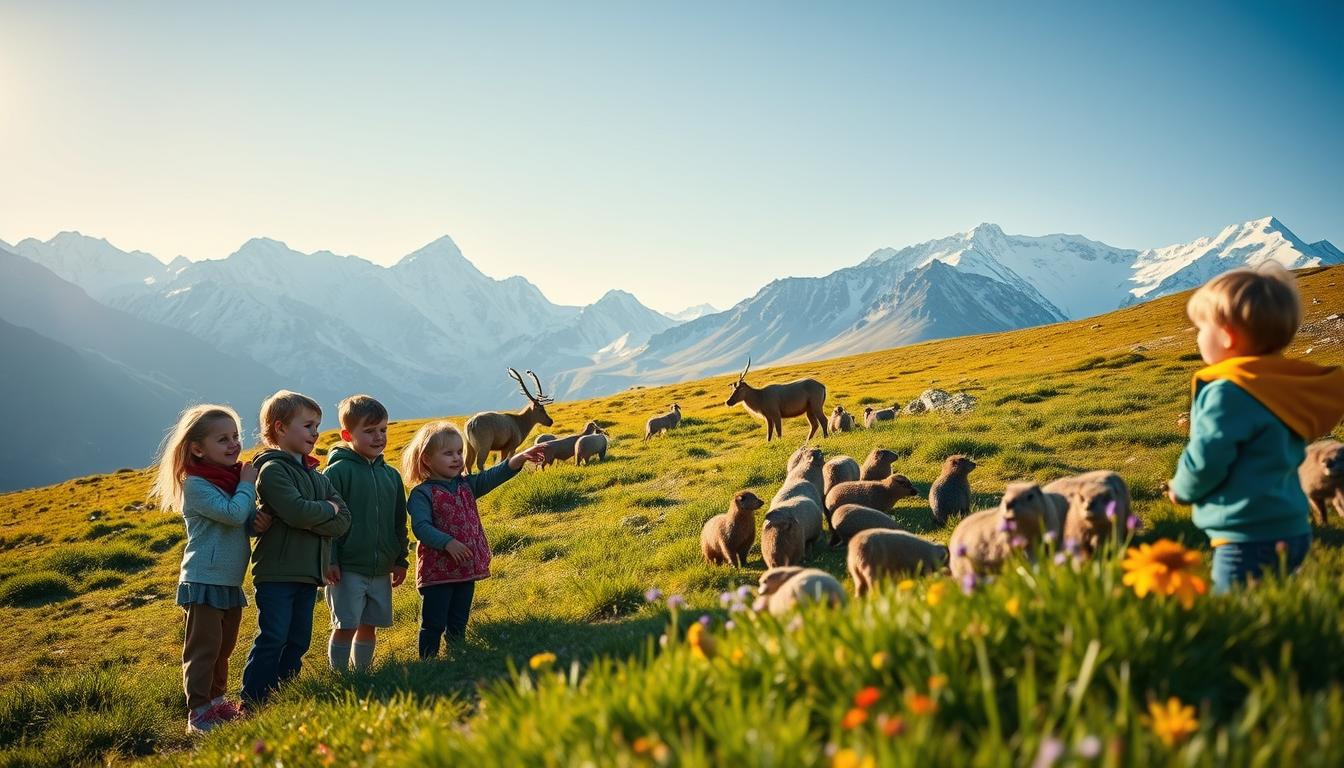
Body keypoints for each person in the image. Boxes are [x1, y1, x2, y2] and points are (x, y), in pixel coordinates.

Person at [1167, 266, 1344, 593]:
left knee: (1236, 613)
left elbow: (1206, 458)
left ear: (1226, 336)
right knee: (1274, 603)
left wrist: (1182, 489)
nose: (1197, 337)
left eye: (1201, 328)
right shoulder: (1285, 387)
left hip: (1246, 532)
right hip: (1293, 525)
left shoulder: (1228, 393)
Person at [150, 404, 271, 734]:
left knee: (223, 648)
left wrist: (256, 524)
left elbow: (240, 521)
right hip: (204, 579)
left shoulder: (230, 480)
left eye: (235, 436)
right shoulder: (196, 485)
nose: (233, 444)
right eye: (223, 439)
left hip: (229, 581)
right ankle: (198, 713)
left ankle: (217, 702)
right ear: (198, 449)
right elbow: (232, 514)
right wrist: (247, 485)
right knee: (203, 650)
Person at [240, 390, 350, 707]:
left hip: (308, 573)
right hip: (277, 571)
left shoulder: (316, 475)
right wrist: (325, 510)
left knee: (299, 639)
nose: (315, 433)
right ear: (280, 427)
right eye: (308, 426)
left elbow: (344, 520)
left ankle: (284, 694)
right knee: (273, 636)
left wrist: (312, 516)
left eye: (317, 426)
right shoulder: (272, 470)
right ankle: (253, 700)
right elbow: (298, 512)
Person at [401, 420, 545, 658]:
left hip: (466, 568)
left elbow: (492, 476)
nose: (457, 458)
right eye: (448, 453)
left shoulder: (466, 485)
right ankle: (427, 663)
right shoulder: (422, 494)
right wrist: (447, 542)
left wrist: (518, 459)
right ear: (426, 459)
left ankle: (458, 655)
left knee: (459, 620)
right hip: (437, 574)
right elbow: (421, 527)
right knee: (433, 623)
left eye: (459, 452)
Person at [322, 395, 408, 672]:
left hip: (381, 567)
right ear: (348, 435)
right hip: (347, 568)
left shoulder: (391, 476)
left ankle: (362, 673)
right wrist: (330, 559)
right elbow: (327, 522)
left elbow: (399, 521)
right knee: (346, 625)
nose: (378, 437)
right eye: (369, 431)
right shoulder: (336, 472)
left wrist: (400, 559)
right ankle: (339, 676)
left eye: (383, 429)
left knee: (369, 624)